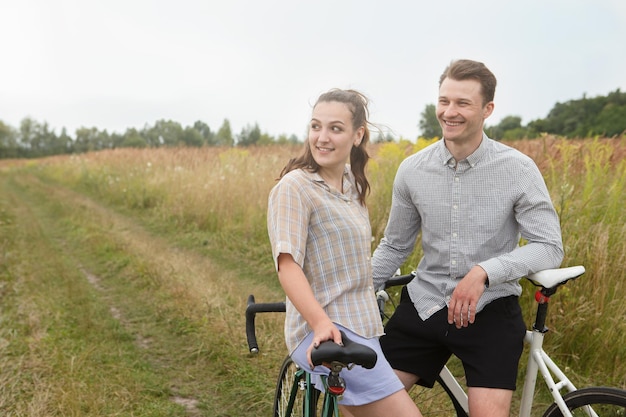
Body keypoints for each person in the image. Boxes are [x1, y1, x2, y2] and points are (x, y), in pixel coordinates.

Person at [372, 59, 564, 417]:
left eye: (463, 103)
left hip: (489, 309)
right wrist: (351, 290)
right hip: (425, 305)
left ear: (487, 109)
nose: (449, 112)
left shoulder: (518, 169)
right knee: (362, 405)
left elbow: (550, 247)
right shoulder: (412, 170)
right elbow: (395, 246)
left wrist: (485, 272)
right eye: (444, 101)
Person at [268, 89, 422, 417]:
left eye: (335, 128)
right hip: (326, 329)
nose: (322, 138)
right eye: (315, 126)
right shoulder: (295, 187)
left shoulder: (352, 185)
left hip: (362, 325)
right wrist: (320, 322)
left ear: (358, 135)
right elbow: (287, 265)